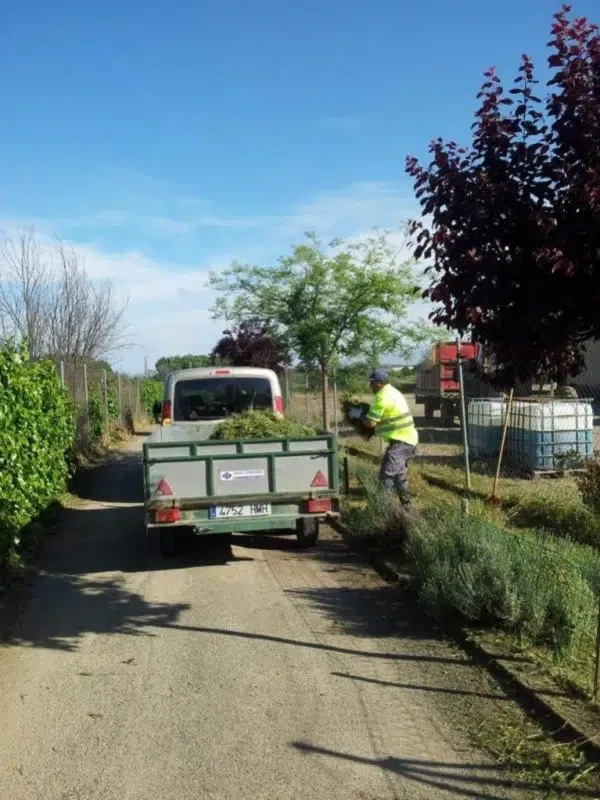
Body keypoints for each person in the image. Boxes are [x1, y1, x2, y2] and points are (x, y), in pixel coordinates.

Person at [350, 368, 418, 507]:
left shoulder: (382, 397)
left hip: (401, 442)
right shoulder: (393, 391)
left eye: (372, 382)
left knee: (386, 476)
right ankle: (407, 508)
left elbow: (371, 423)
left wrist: (359, 415)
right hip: (409, 440)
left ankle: (382, 509)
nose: (370, 385)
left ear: (380, 383)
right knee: (399, 476)